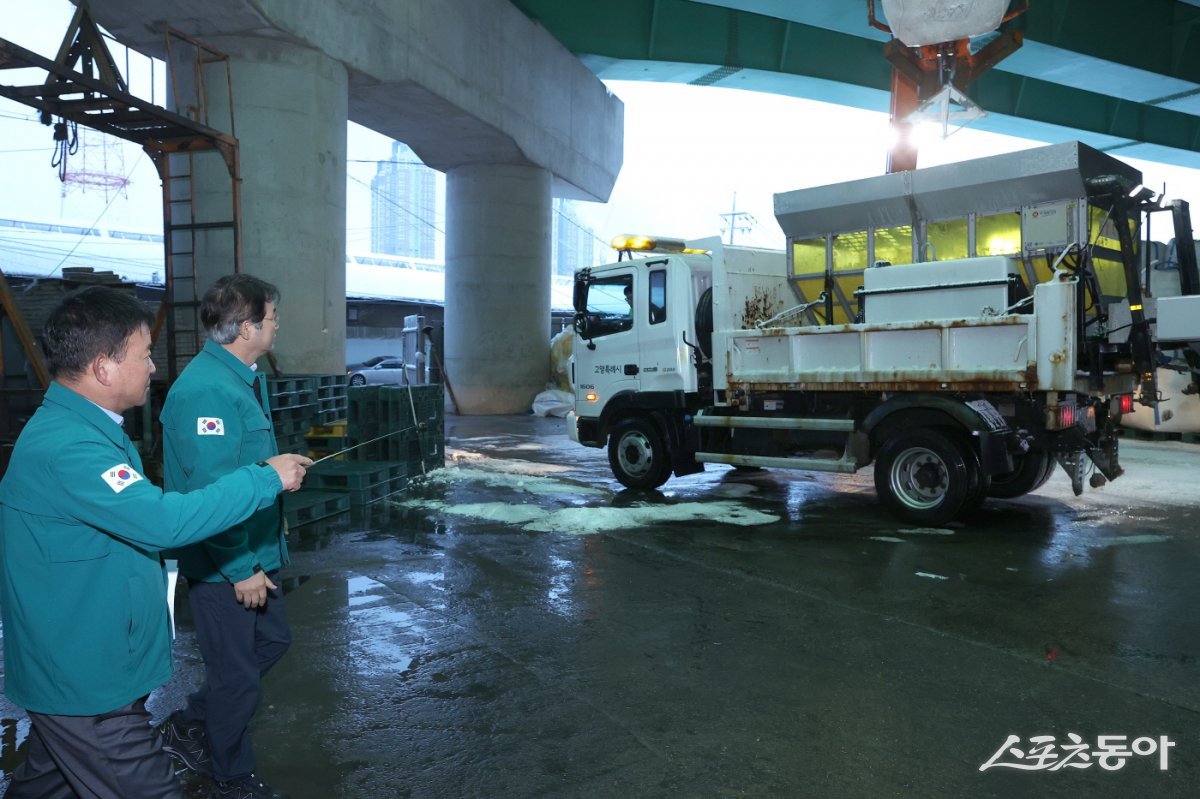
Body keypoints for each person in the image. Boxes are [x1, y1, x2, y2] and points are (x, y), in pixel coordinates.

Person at [0, 286, 310, 799]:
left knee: (45, 785)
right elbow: (164, 521)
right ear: (103, 367)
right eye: (143, 357)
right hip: (87, 688)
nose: (152, 368)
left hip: (86, 672)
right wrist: (265, 478)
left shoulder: (95, 432)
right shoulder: (72, 449)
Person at [158, 275, 295, 799]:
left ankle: (192, 723)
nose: (277, 322)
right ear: (245, 327)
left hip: (255, 552)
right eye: (272, 315)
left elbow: (245, 470)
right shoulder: (205, 392)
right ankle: (229, 775)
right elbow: (213, 493)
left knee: (273, 642)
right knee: (236, 677)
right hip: (225, 564)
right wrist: (240, 568)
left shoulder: (240, 378)